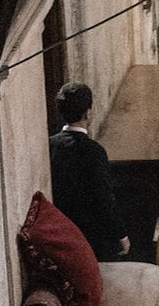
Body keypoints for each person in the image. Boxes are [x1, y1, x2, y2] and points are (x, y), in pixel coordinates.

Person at [47, 81, 127, 261]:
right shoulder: (94, 151)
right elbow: (104, 197)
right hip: (93, 239)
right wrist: (121, 235)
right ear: (88, 112)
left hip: (60, 236)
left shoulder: (49, 145)